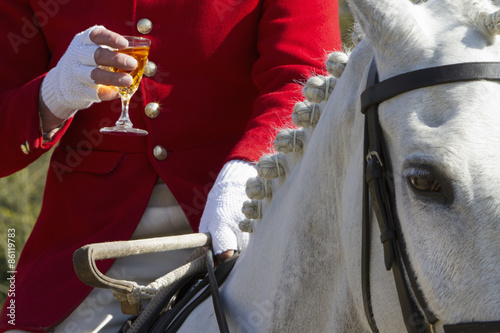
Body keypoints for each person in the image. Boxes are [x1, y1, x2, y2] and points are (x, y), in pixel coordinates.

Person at [0, 0, 340, 331]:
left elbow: (307, 80)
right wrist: (53, 94)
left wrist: (247, 169)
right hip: (93, 248)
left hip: (247, 219)